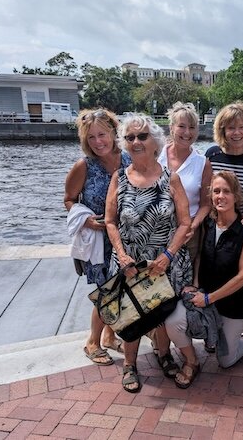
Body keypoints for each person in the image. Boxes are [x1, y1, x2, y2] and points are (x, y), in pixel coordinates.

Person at [105, 113, 199, 392]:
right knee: (131, 317)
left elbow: (184, 223)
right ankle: (129, 366)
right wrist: (121, 256)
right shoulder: (119, 178)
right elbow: (110, 221)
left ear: (155, 142)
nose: (136, 141)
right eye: (130, 137)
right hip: (130, 263)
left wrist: (168, 255)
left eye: (142, 136)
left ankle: (163, 354)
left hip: (163, 262)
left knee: (160, 314)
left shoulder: (172, 180)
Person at [64, 108, 130, 366]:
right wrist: (88, 220)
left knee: (121, 289)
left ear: (114, 132)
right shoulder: (84, 166)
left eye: (102, 134)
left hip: (124, 238)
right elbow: (68, 200)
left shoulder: (128, 159)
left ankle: (110, 336)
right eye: (91, 137)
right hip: (99, 241)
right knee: (107, 291)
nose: (98, 142)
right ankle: (92, 341)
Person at [157, 102, 213, 355]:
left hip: (188, 233)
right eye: (182, 126)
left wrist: (193, 225)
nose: (187, 132)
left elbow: (205, 204)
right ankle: (160, 342)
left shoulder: (202, 163)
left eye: (192, 127)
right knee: (157, 286)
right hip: (157, 231)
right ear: (171, 127)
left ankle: (181, 336)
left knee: (182, 286)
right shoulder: (156, 154)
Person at [190, 171, 243, 367]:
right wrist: (196, 285)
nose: (221, 196)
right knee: (181, 322)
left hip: (231, 304)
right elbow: (199, 258)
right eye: (216, 191)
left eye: (226, 191)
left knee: (226, 360)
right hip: (205, 296)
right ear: (211, 195)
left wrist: (209, 299)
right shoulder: (208, 222)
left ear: (236, 196)